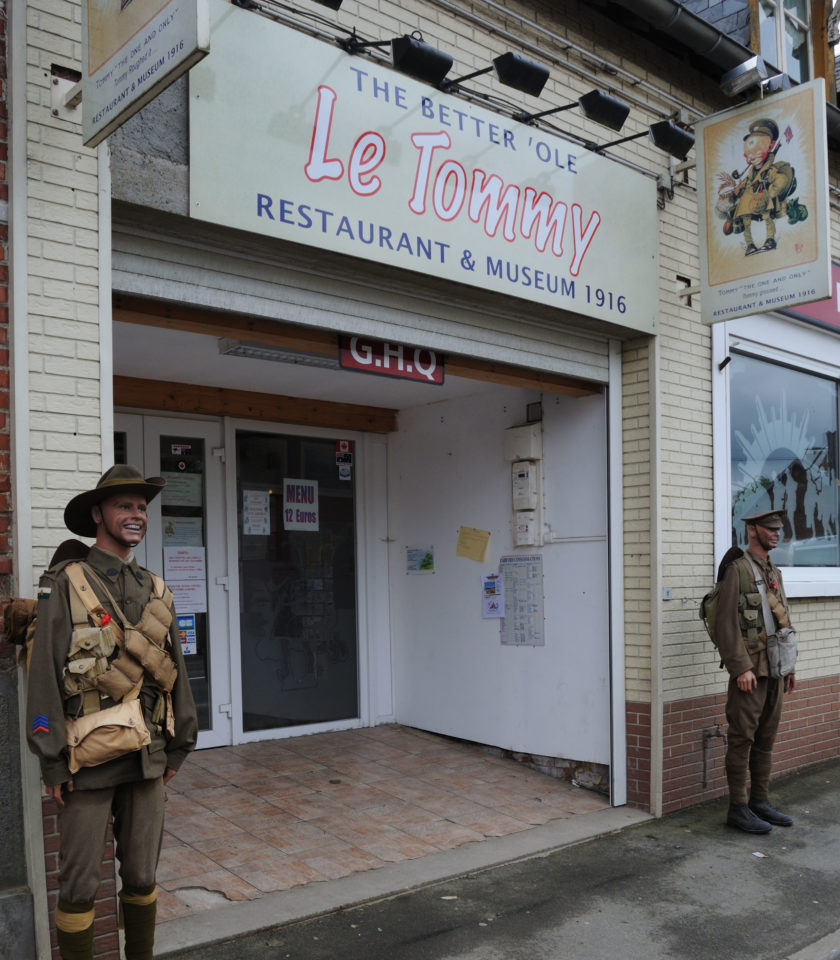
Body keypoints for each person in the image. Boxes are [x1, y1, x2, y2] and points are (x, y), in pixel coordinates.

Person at [26, 465, 198, 960]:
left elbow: (177, 676)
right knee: (79, 886)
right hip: (87, 763)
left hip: (148, 758)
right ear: (98, 514)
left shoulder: (155, 589)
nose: (136, 516)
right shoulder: (64, 584)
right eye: (125, 506)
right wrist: (52, 760)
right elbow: (43, 680)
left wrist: (178, 749)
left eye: (142, 508)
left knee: (143, 877)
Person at [715, 507, 796, 834]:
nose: (776, 533)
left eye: (778, 529)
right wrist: (740, 668)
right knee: (742, 739)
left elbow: (783, 620)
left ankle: (760, 801)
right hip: (750, 673)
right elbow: (725, 625)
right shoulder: (738, 570)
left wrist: (789, 666)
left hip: (776, 670)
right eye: (769, 528)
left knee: (766, 740)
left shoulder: (774, 571)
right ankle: (738, 808)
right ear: (752, 530)